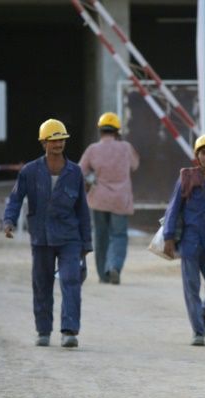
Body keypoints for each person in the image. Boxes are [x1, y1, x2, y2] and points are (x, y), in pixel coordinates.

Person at [2, 118, 93, 348]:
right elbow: (15, 198)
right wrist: (9, 221)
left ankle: (69, 331)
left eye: (61, 140)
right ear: (43, 143)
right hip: (41, 237)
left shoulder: (74, 172)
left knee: (71, 281)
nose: (58, 144)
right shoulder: (30, 171)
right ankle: (43, 330)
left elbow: (82, 209)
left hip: (69, 237)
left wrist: (86, 243)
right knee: (42, 284)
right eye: (53, 141)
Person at [163, 134, 205, 347]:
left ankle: (204, 311)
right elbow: (173, 208)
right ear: (197, 155)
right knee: (191, 288)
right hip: (190, 243)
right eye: (203, 153)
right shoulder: (187, 178)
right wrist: (168, 237)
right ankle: (198, 331)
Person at [79, 112, 140, 285]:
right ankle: (114, 267)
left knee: (101, 237)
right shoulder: (126, 147)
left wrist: (89, 181)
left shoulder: (92, 149)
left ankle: (103, 275)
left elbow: (80, 171)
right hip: (120, 199)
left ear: (100, 130)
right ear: (117, 131)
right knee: (119, 235)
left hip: (99, 199)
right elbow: (135, 165)